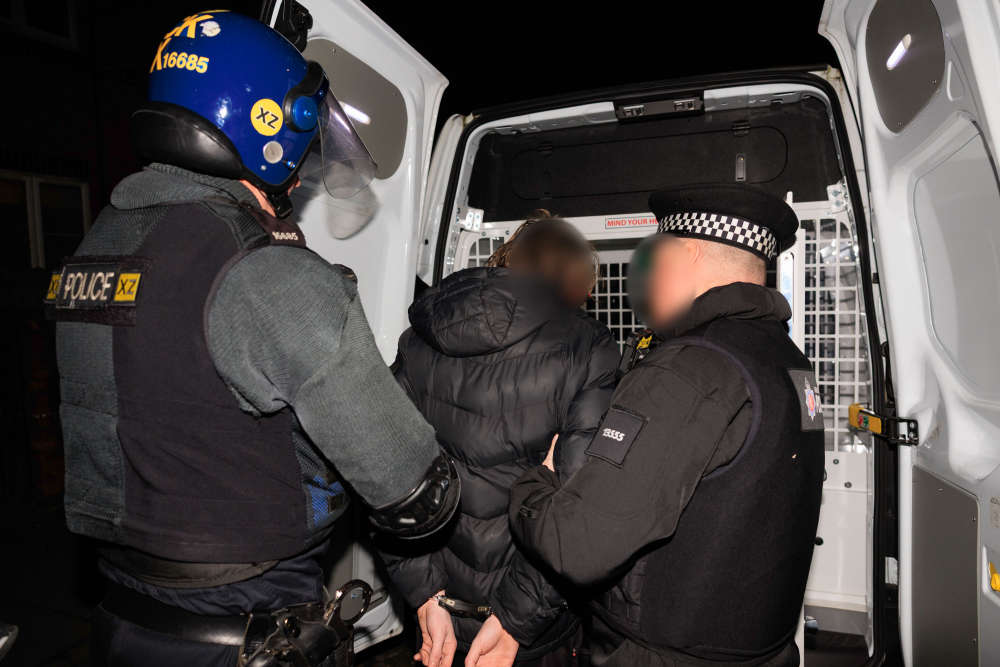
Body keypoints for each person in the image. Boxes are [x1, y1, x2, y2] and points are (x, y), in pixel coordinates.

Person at [46, 11, 458, 666]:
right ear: (272, 127)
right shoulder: (267, 272)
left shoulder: (97, 247)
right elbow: (417, 494)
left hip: (124, 621)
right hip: (251, 633)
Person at [509, 185, 825, 666]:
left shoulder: (687, 369)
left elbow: (578, 545)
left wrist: (536, 484)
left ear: (685, 252)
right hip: (766, 650)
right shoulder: (791, 362)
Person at [380, 213, 620, 667]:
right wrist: (513, 619)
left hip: (438, 620)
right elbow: (579, 505)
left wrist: (425, 596)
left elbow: (384, 473)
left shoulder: (419, 340)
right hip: (530, 626)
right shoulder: (588, 347)